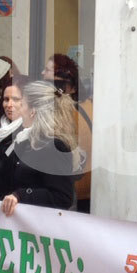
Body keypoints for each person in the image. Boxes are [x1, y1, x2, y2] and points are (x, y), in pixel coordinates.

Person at [0, 80, 78, 216]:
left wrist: (22, 195)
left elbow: (62, 197)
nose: (19, 109)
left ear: (33, 111)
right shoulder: (24, 139)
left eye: (22, 104)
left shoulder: (54, 145)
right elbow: (7, 177)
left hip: (37, 224)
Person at [43, 54, 93, 212]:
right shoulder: (88, 105)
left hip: (72, 190)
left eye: (47, 70)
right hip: (88, 188)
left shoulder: (66, 112)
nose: (43, 74)